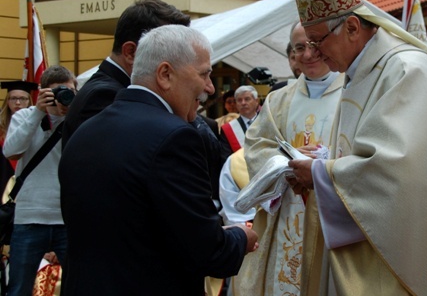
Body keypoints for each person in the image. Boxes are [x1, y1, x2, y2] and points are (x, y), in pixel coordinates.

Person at [282, 0, 427, 295]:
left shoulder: (405, 71)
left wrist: (320, 173)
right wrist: (326, 161)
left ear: (352, 26)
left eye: (318, 42)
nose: (311, 56)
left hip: (390, 268)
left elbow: (398, 178)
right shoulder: (358, 71)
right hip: (359, 258)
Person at [59, 25, 258, 295]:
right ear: (165, 74)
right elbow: (208, 250)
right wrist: (240, 236)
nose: (210, 88)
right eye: (204, 74)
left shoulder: (86, 131)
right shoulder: (175, 138)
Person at [233, 21, 344, 296]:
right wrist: (286, 164)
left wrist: (325, 163)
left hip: (332, 215)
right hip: (286, 211)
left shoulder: (352, 95)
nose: (308, 54)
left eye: (313, 44)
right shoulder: (278, 100)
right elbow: (256, 148)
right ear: (292, 54)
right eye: (299, 47)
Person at [61, 0, 190, 147]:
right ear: (130, 53)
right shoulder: (105, 96)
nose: (174, 64)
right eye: (167, 53)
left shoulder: (113, 89)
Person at [3, 66, 77, 296]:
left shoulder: (80, 118)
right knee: (19, 289)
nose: (64, 95)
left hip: (68, 217)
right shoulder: (26, 116)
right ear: (44, 92)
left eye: (70, 90)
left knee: (77, 286)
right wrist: (37, 112)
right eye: (57, 92)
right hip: (29, 217)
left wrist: (74, 112)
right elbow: (11, 151)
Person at [0, 81, 38, 191]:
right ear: (7, 101)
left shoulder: (37, 123)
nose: (17, 102)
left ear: (29, 101)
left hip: (26, 174)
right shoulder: (1, 126)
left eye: (22, 98)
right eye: (13, 98)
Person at [220, 86, 260, 153]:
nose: (243, 103)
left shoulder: (268, 124)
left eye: (247, 99)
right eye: (239, 100)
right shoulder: (228, 129)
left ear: (256, 101)